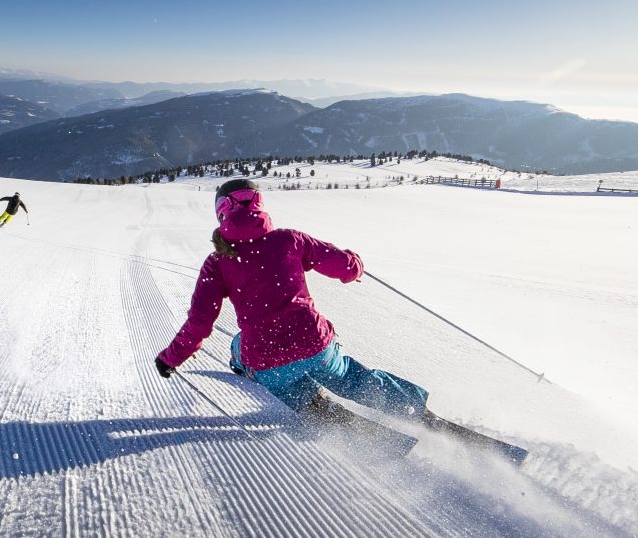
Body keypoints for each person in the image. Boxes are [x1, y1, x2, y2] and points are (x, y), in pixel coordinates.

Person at [154, 179, 432, 424]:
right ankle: (415, 410)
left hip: (267, 358)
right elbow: (345, 267)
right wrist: (355, 263)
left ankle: (331, 418)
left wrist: (171, 359)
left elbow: (199, 324)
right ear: (259, 204)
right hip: (314, 343)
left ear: (222, 213)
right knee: (351, 378)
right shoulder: (289, 240)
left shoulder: (216, 263)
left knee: (242, 349)